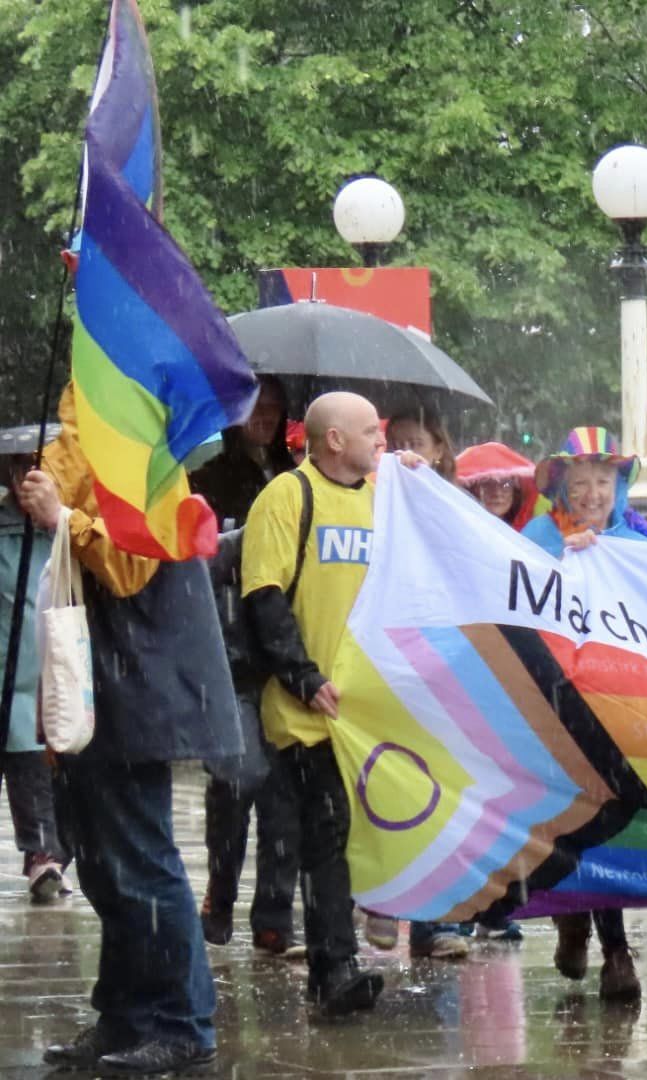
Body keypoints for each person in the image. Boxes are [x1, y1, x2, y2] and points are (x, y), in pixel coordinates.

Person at [21, 385, 244, 1074]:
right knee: (107, 866)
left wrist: (62, 518)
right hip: (106, 689)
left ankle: (183, 1022)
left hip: (139, 688)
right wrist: (50, 497)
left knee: (143, 861)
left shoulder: (149, 463)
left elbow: (127, 565)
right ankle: (123, 1016)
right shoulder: (100, 450)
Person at [242, 391, 418, 1018]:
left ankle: (349, 952)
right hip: (309, 710)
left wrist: (422, 488)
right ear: (335, 440)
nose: (383, 440)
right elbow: (263, 597)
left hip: (369, 710)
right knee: (326, 835)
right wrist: (302, 676)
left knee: (356, 831)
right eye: (372, 431)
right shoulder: (287, 497)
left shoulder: (384, 498)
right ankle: (334, 969)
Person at [520, 426, 647, 1001]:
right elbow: (515, 593)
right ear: (563, 488)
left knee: (615, 825)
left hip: (622, 708)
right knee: (571, 822)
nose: (594, 493)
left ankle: (615, 949)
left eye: (604, 480)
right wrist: (559, 562)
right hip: (557, 708)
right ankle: (573, 919)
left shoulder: (641, 543)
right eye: (582, 482)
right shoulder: (539, 535)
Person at [188, 376, 303, 956]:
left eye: (276, 406)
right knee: (236, 780)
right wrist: (239, 544)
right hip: (230, 654)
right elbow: (197, 559)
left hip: (286, 653)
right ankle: (221, 893)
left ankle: (274, 914)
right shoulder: (207, 481)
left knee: (283, 795)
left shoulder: (299, 479)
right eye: (257, 405)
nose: (266, 416)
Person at [0, 424, 66, 905]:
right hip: (8, 670)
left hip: (47, 675)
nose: (28, 477)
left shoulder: (67, 527)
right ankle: (42, 853)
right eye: (19, 466)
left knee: (34, 766)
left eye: (36, 466)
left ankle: (44, 854)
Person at [456, 442, 539, 531]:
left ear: (514, 492)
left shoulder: (530, 532)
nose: (497, 493)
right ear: (473, 489)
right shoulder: (460, 529)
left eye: (506, 484)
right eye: (487, 484)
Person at [386, 405, 459, 482]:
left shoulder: (449, 493)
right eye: (395, 445)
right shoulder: (380, 488)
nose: (405, 452)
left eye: (415, 444)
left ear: (438, 451)